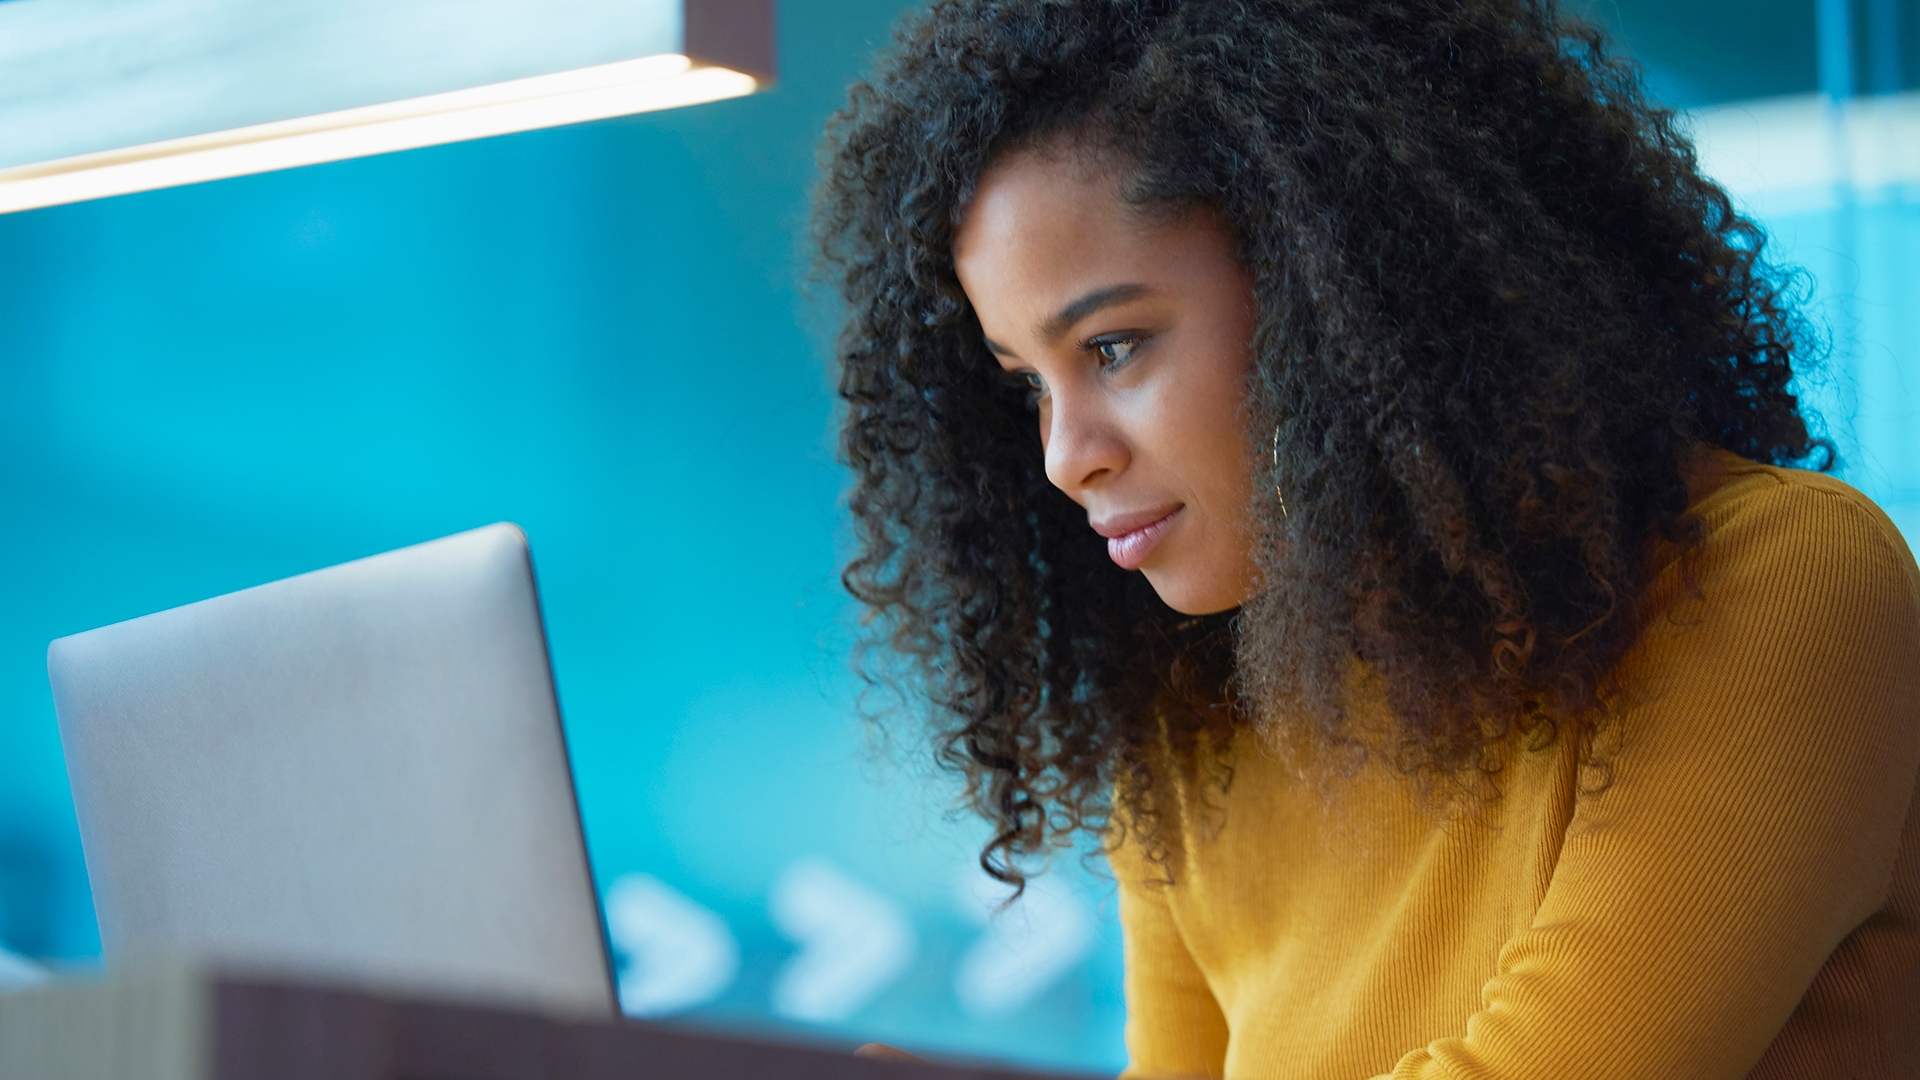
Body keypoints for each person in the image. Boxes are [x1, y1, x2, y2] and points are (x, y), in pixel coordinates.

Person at [811, 0, 1920, 1075]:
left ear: (1334, 287)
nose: (1065, 456)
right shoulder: (1196, 725)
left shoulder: (1781, 587)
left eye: (1110, 349)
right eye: (1026, 387)